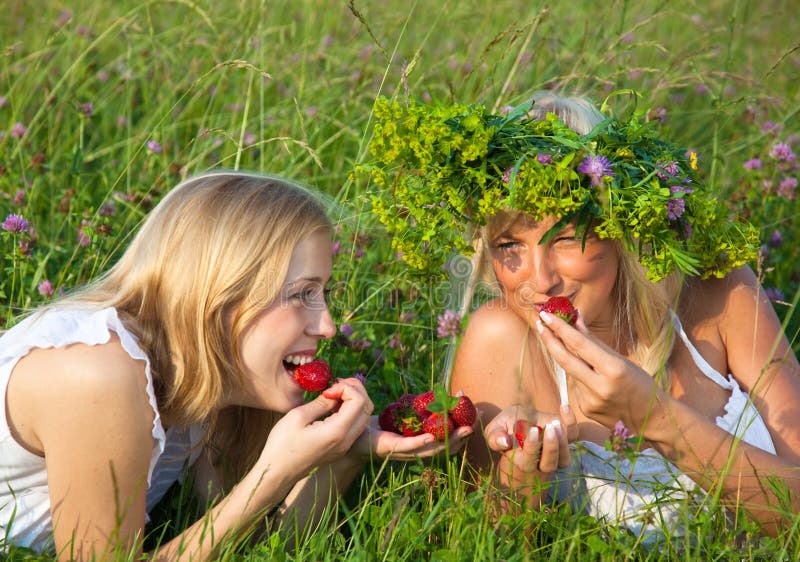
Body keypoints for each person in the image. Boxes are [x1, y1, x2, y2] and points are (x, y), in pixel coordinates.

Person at [364, 92, 800, 541]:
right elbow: (481, 542)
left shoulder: (721, 294)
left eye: (566, 238)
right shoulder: (499, 340)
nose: (539, 279)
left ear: (620, 231)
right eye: (509, 245)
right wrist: (519, 486)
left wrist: (654, 418)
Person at [0, 171, 472, 560]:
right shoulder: (96, 371)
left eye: (324, 293)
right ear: (220, 297)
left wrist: (344, 452)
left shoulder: (207, 377)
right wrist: (271, 474)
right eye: (302, 294)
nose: (328, 326)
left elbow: (251, 542)